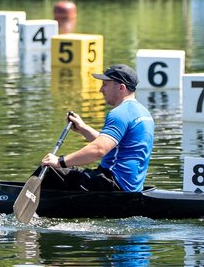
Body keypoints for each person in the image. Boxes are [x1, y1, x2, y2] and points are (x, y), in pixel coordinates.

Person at [40, 64, 154, 192]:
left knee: (50, 170)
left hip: (111, 184)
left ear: (121, 87)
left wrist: (60, 161)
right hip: (130, 187)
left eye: (105, 84)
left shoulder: (120, 113)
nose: (101, 89)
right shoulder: (144, 113)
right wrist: (83, 128)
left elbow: (99, 149)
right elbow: (113, 146)